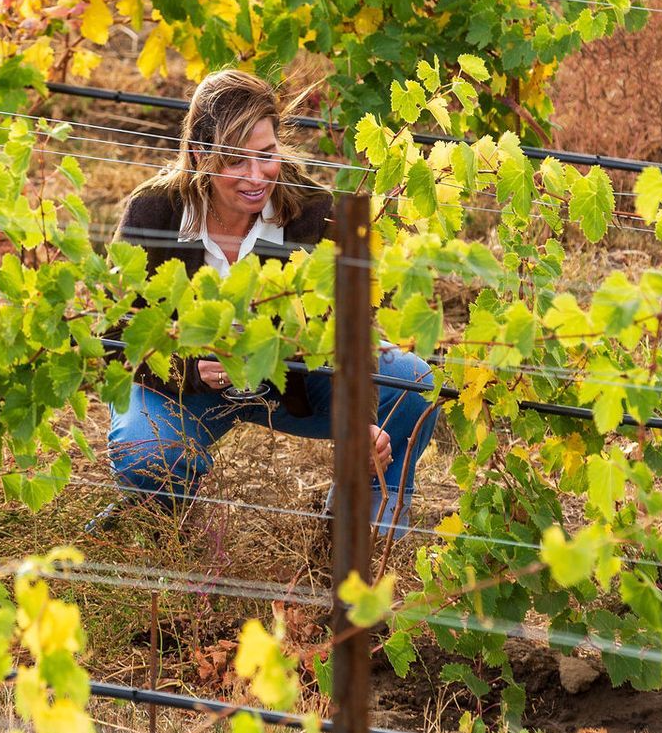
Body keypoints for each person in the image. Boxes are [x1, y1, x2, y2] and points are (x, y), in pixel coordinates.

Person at [105, 70, 438, 534]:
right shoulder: (154, 211)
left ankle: (356, 534)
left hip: (291, 381)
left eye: (266, 156)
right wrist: (186, 368)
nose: (256, 176)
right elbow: (114, 333)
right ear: (201, 155)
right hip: (181, 390)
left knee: (413, 387)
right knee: (146, 453)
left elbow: (347, 325)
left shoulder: (310, 209)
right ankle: (159, 526)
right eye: (236, 161)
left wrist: (360, 418)